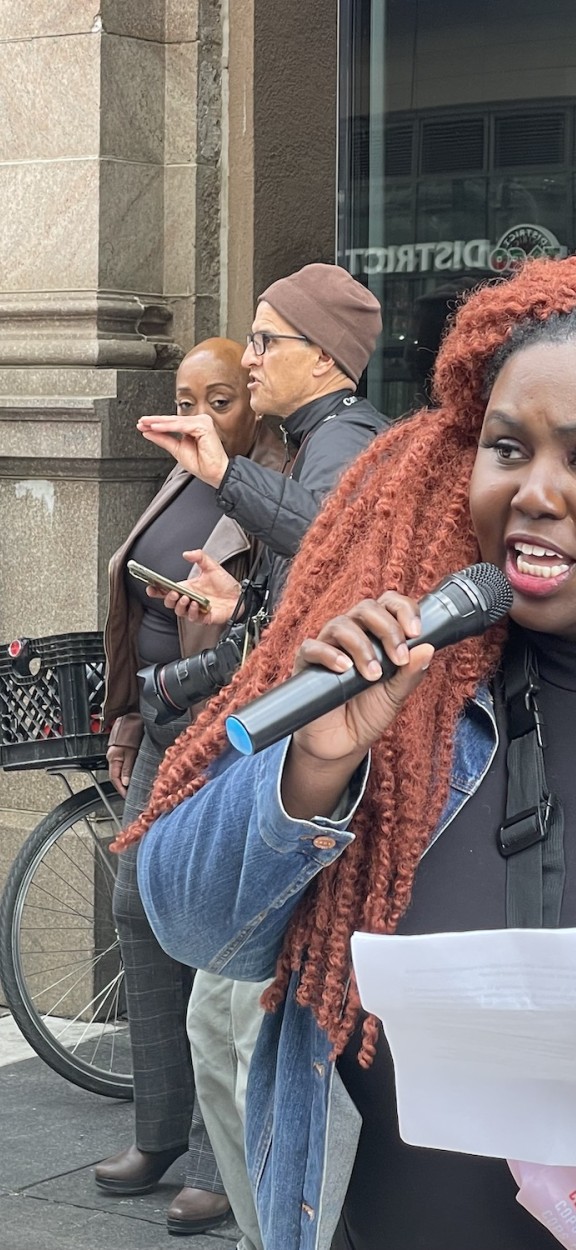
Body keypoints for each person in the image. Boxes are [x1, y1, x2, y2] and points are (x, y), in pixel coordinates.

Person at [120, 254, 576, 1250]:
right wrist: (312, 768)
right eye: (510, 448)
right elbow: (186, 916)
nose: (540, 490)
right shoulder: (413, 696)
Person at [133, 262, 389, 1250]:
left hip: (307, 808)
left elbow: (335, 533)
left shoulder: (352, 441)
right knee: (220, 1033)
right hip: (287, 794)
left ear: (324, 354)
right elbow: (315, 596)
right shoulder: (315, 445)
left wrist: (223, 472)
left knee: (243, 1040)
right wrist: (243, 611)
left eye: (265, 339)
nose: (249, 356)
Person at [95, 338, 283, 1237]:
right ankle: (161, 1129)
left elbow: (262, 633)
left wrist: (178, 689)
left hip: (222, 730)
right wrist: (129, 717)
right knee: (135, 909)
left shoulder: (274, 485)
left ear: (254, 404)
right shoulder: (177, 476)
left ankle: (218, 1158)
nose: (199, 415)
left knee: (219, 938)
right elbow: (133, 606)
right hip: (163, 724)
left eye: (220, 399)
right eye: (185, 397)